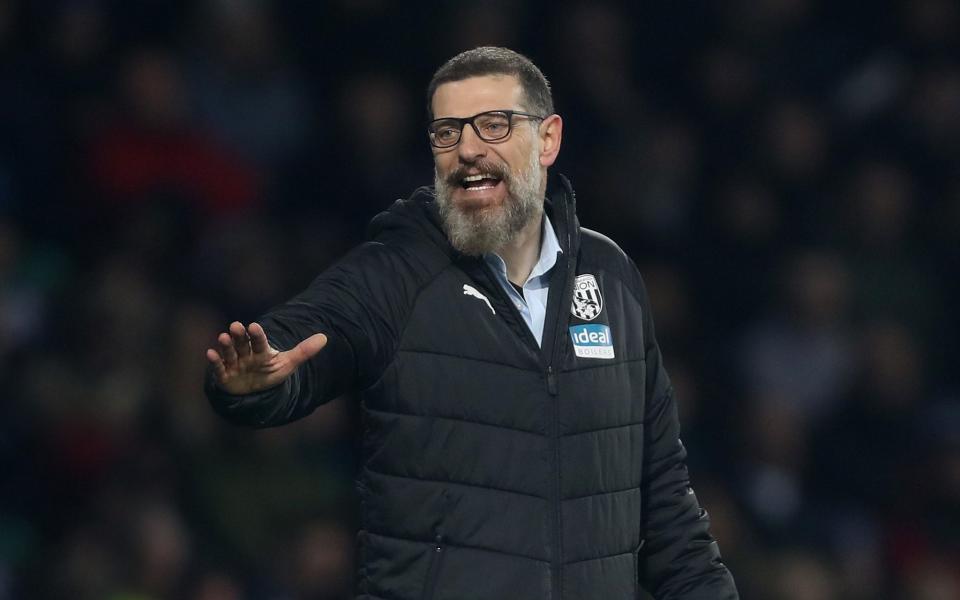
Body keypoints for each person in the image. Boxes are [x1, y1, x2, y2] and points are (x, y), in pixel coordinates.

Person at [205, 46, 738, 599]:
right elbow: (310, 335)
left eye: (493, 125)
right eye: (447, 133)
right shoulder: (397, 273)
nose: (467, 150)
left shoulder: (612, 278)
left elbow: (666, 513)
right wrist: (260, 383)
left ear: (548, 139)